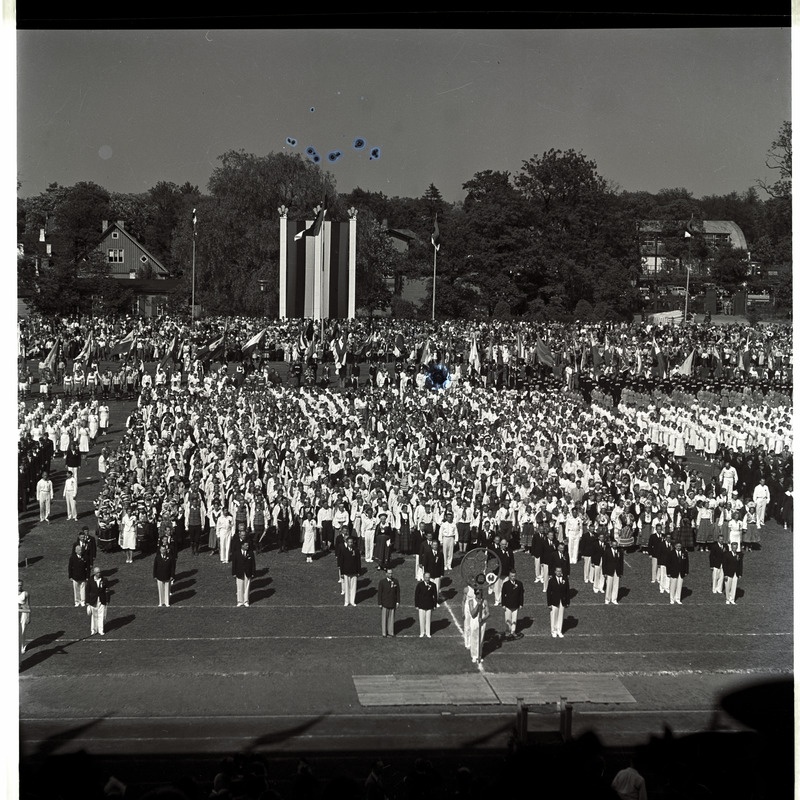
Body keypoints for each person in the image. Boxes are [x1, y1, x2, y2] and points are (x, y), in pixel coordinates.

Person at [467, 581, 490, 663]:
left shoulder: (485, 601)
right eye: (477, 593)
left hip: (482, 622)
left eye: (479, 593)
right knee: (474, 638)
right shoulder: (471, 601)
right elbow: (473, 614)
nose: (478, 595)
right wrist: (478, 605)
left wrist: (483, 619)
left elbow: (488, 613)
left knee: (481, 639)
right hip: (474, 622)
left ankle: (479, 655)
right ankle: (473, 655)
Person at [546, 565, 570, 639]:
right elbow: (548, 592)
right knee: (554, 616)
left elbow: (567, 591)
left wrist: (567, 602)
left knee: (560, 616)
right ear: (555, 572)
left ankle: (559, 630)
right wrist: (549, 603)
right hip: (554, 601)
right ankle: (553, 631)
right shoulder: (551, 580)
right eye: (557, 571)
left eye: (560, 571)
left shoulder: (565, 579)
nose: (559, 572)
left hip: (562, 601)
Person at [86, 566, 110, 636]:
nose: (99, 573)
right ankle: (93, 630)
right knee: (94, 616)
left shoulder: (104, 580)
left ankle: (101, 630)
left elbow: (107, 590)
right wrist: (87, 602)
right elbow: (87, 591)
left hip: (102, 600)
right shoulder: (90, 581)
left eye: (100, 572)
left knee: (101, 615)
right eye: (98, 572)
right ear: (94, 573)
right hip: (93, 601)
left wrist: (107, 600)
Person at [232, 538, 256, 607]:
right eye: (246, 545)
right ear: (242, 546)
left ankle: (246, 601)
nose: (247, 547)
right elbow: (234, 564)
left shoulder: (250, 553)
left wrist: (253, 573)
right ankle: (240, 601)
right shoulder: (236, 553)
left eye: (248, 545)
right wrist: (234, 573)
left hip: (248, 573)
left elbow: (253, 564)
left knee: (246, 587)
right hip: (239, 572)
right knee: (239, 587)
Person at [501, 569, 524, 639]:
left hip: (516, 605)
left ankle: (513, 631)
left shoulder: (519, 584)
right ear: (509, 576)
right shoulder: (505, 584)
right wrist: (503, 604)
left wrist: (521, 604)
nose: (513, 577)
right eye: (511, 576)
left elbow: (521, 595)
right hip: (508, 605)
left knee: (514, 619)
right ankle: (508, 631)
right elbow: (503, 595)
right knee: (508, 619)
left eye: (514, 576)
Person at [377, 568, 400, 637]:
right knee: (384, 619)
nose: (390, 575)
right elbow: (380, 593)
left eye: (391, 573)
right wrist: (380, 603)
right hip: (385, 603)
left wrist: (398, 602)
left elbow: (398, 592)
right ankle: (384, 633)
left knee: (391, 619)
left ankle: (391, 632)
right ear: (386, 574)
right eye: (389, 573)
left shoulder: (395, 581)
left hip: (392, 603)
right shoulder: (382, 582)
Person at [339, 535, 361, 607]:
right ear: (346, 543)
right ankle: (346, 601)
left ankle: (352, 601)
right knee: (347, 587)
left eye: (351, 542)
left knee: (353, 587)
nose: (350, 543)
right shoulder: (344, 551)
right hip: (346, 571)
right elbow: (341, 562)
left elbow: (358, 562)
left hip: (354, 572)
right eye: (349, 542)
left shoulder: (356, 550)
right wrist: (342, 573)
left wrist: (358, 571)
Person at [414, 571, 438, 638]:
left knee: (428, 619)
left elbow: (435, 596)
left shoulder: (433, 585)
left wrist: (434, 605)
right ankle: (422, 632)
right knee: (422, 619)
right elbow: (416, 595)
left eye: (428, 577)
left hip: (429, 605)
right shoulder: (420, 585)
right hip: (421, 605)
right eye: (426, 577)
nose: (427, 579)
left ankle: (428, 633)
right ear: (424, 577)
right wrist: (416, 605)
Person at [667, 541, 689, 605]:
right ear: (675, 546)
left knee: (679, 586)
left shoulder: (684, 553)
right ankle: (672, 599)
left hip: (681, 572)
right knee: (673, 586)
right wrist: (668, 572)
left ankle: (678, 598)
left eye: (680, 546)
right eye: (677, 546)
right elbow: (668, 564)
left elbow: (686, 563)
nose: (678, 547)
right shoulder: (671, 553)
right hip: (673, 572)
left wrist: (686, 571)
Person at [68, 543, 90, 607]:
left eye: (81, 550)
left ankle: (83, 601)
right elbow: (70, 567)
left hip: (83, 576)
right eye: (79, 550)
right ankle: (77, 601)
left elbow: (88, 568)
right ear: (76, 551)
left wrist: (87, 576)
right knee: (76, 590)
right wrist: (70, 576)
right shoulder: (72, 558)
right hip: (75, 577)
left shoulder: (85, 557)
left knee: (83, 589)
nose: (80, 551)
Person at [153, 543, 176, 607]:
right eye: (162, 550)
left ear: (166, 550)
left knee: (167, 589)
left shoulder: (170, 557)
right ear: (160, 550)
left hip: (167, 576)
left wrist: (172, 576)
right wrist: (154, 575)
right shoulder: (157, 557)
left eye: (164, 550)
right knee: (160, 590)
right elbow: (155, 567)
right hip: (159, 576)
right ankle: (161, 602)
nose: (163, 551)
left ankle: (167, 602)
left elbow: (172, 568)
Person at [602, 540, 624, 605]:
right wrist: (604, 572)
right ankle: (607, 599)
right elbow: (604, 563)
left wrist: (620, 572)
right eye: (613, 545)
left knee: (616, 585)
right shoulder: (607, 551)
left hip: (617, 571)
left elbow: (621, 563)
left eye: (616, 545)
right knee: (609, 585)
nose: (615, 546)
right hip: (609, 571)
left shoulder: (620, 551)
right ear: (611, 545)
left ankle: (614, 599)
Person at [722, 541, 744, 605]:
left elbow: (740, 565)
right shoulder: (727, 554)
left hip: (735, 573)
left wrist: (740, 573)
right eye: (733, 547)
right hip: (728, 573)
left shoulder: (738, 555)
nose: (734, 549)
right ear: (731, 547)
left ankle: (732, 599)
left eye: (736, 547)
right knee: (728, 586)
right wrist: (725, 574)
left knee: (734, 586)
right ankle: (727, 599)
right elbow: (724, 565)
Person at [19, 579, 30, 654]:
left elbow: (27, 605)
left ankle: (22, 647)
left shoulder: (25, 593)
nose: (19, 586)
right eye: (18, 585)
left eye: (20, 585)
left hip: (23, 614)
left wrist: (29, 616)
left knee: (23, 630)